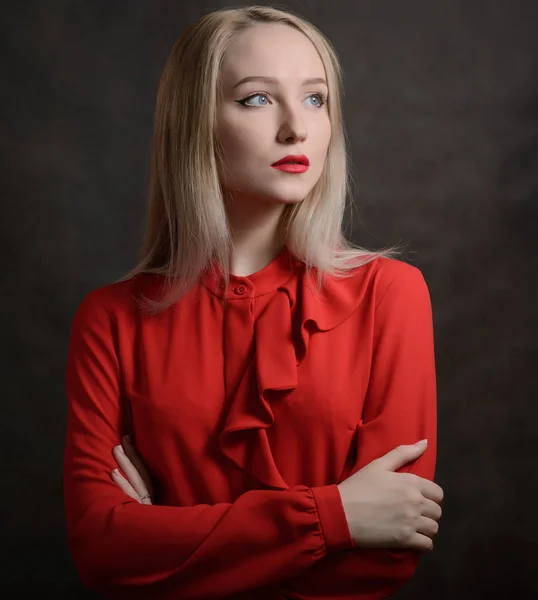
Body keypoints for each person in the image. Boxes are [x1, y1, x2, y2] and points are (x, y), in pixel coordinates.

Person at [63, 5, 444, 599]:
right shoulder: (110, 320)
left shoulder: (389, 294)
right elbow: (100, 550)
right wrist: (336, 517)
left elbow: (385, 558)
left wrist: (167, 535)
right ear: (197, 123)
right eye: (257, 99)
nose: (297, 127)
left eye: (315, 99)